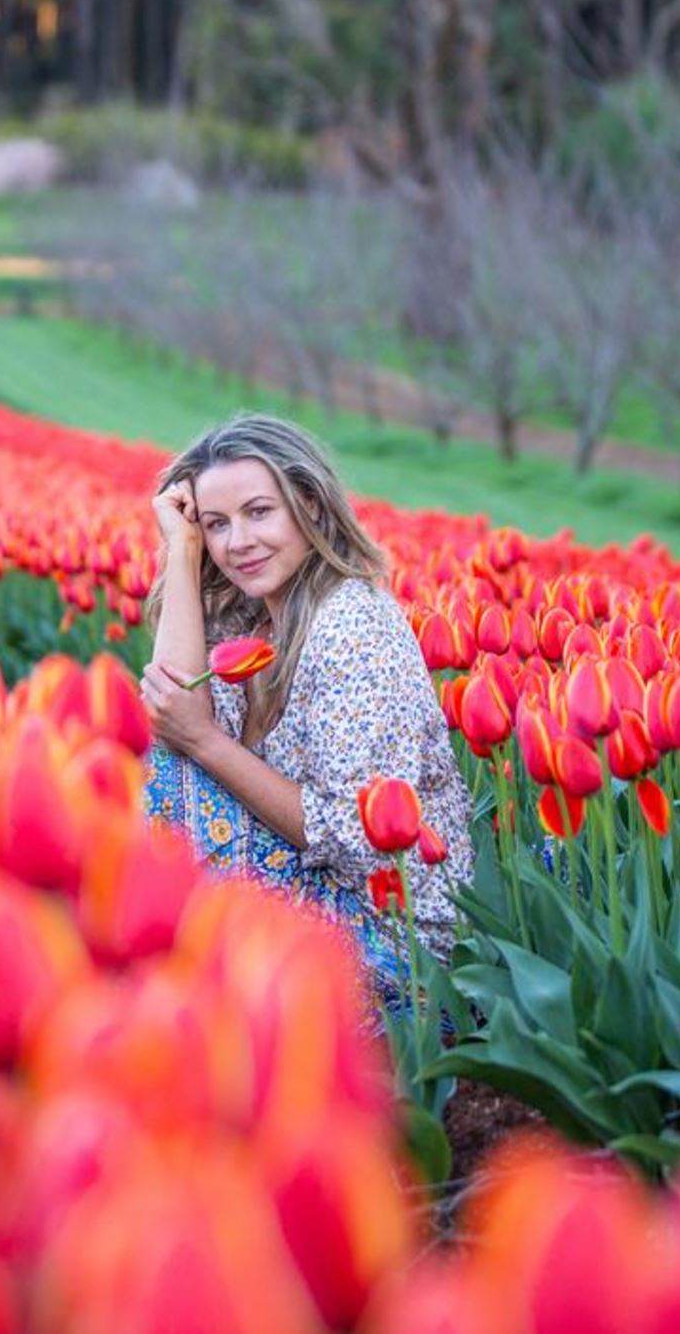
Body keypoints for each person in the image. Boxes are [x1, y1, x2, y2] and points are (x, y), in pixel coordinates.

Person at [139, 413, 472, 990]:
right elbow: (173, 699)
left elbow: (356, 839)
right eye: (217, 524)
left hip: (395, 934)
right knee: (161, 764)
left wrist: (206, 741)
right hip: (318, 898)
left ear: (311, 504)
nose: (237, 542)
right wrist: (182, 546)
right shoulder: (254, 623)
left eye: (259, 512)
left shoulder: (350, 625)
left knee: (169, 774)